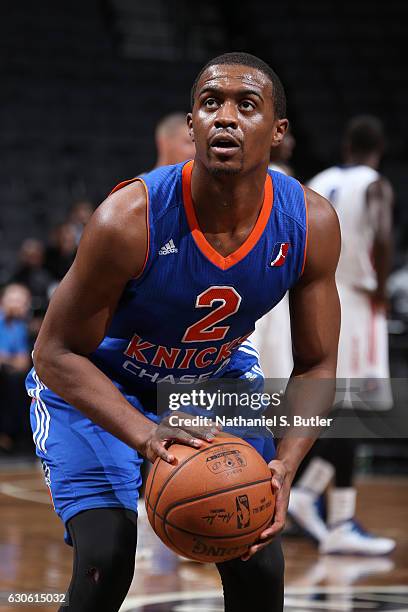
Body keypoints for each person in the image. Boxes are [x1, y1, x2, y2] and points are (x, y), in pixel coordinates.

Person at [26, 52, 340, 611]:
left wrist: (286, 466)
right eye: (210, 103)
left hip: (212, 378)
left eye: (247, 105)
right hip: (100, 381)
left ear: (278, 132)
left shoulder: (310, 224)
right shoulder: (127, 218)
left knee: (258, 555)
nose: (225, 117)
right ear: (191, 125)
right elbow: (54, 353)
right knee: (109, 554)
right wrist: (147, 436)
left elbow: (317, 364)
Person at [288, 115, 395, 555]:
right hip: (357, 299)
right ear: (378, 148)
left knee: (327, 408)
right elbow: (384, 236)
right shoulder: (375, 184)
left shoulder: (319, 179)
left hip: (319, 295)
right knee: (352, 413)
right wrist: (383, 287)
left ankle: (309, 496)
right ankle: (338, 517)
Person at [250, 129, 296, 380]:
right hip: (266, 272)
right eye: (285, 136)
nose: (290, 142)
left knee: (269, 353)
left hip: (258, 272)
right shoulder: (275, 175)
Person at [0, 284, 31, 452]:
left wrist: (8, 360)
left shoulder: (19, 327)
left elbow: (23, 361)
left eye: (22, 301)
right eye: (14, 300)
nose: (18, 305)